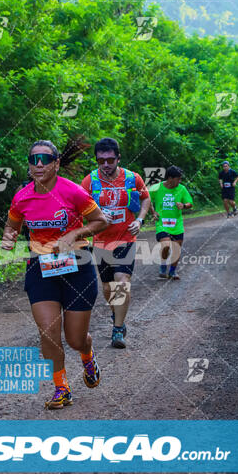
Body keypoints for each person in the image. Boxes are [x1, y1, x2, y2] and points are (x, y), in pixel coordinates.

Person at [1, 140, 108, 410]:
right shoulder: (22, 196)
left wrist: (74, 233)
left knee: (74, 339)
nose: (39, 165)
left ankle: (87, 353)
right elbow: (12, 224)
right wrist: (9, 238)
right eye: (33, 159)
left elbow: (100, 221)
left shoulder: (73, 192)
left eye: (45, 159)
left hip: (78, 265)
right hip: (41, 265)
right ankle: (62, 388)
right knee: (48, 332)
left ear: (56, 163)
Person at [81, 138, 150, 349]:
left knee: (122, 280)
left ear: (118, 158)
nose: (106, 164)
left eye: (110, 159)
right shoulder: (89, 181)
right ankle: (115, 313)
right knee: (107, 287)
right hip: (101, 242)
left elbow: (145, 198)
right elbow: (79, 208)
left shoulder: (132, 178)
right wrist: (96, 220)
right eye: (101, 160)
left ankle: (118, 329)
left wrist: (139, 220)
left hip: (125, 239)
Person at [148, 165, 193, 281]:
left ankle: (172, 272)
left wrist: (184, 206)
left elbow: (190, 203)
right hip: (162, 224)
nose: (180, 181)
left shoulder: (182, 189)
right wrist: (153, 212)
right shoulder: (157, 188)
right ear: (170, 178)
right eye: (178, 178)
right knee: (166, 245)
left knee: (176, 249)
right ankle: (163, 265)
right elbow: (146, 198)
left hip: (177, 224)